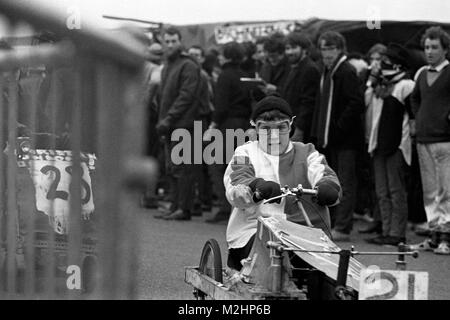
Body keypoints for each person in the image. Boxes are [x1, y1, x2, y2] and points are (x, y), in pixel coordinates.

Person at [224, 95, 341, 270]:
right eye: (265, 128)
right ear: (255, 127)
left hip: (307, 232)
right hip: (255, 231)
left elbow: (324, 173)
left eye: (281, 127)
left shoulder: (307, 152)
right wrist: (255, 186)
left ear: (290, 126)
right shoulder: (244, 152)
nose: (274, 135)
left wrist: (328, 187)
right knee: (274, 258)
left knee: (329, 274)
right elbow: (236, 183)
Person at [310, 31, 365, 241]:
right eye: (323, 48)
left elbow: (356, 102)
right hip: (330, 138)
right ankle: (332, 222)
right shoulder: (327, 71)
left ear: (340, 49)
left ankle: (343, 226)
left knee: (346, 183)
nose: (327, 53)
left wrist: (338, 125)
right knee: (331, 180)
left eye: (331, 48)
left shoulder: (346, 70)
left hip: (346, 139)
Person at [155, 27, 208, 221]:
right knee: (173, 168)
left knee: (184, 169)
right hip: (171, 124)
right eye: (166, 41)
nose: (169, 44)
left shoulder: (188, 65)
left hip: (185, 125)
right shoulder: (169, 64)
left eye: (173, 41)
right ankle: (176, 206)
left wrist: (168, 119)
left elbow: (186, 97)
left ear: (180, 41)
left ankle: (183, 208)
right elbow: (164, 96)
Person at [364, 43, 415, 246]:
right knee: (382, 191)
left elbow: (412, 119)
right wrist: (372, 81)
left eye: (386, 62)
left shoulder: (406, 86)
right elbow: (366, 102)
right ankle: (386, 229)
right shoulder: (381, 85)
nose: (381, 65)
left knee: (396, 190)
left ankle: (397, 232)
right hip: (378, 143)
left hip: (397, 145)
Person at [410, 26, 450, 255]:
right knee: (430, 190)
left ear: (445, 49)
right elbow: (414, 99)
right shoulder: (422, 73)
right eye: (427, 47)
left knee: (446, 190)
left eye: (435, 47)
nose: (430, 51)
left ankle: (446, 237)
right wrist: (420, 117)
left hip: (444, 139)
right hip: (424, 138)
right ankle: (434, 236)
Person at [205, 41, 253, 223]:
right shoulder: (245, 75)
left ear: (226, 55)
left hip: (227, 125)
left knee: (216, 164)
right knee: (237, 166)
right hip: (243, 124)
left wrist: (213, 125)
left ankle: (225, 207)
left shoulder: (225, 76)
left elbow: (221, 105)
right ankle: (238, 205)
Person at [280, 32, 320, 143]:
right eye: (287, 48)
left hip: (302, 131)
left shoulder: (309, 69)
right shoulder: (294, 68)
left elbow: (308, 103)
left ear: (304, 49)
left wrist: (299, 130)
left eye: (293, 48)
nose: (289, 52)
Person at [258, 33, 291, 98]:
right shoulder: (266, 66)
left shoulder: (291, 67)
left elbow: (294, 93)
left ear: (282, 53)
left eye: (273, 56)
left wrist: (276, 89)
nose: (271, 59)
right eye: (269, 56)